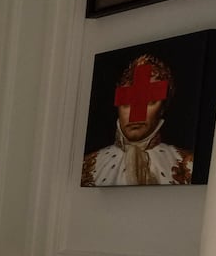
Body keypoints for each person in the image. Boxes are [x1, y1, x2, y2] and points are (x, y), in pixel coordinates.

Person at [82, 52, 194, 186]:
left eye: (150, 101)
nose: (136, 115)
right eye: (127, 103)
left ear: (162, 108)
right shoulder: (86, 165)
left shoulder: (188, 163)